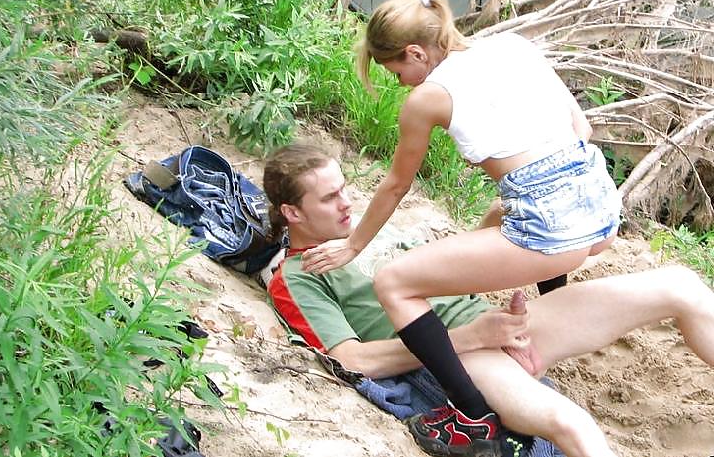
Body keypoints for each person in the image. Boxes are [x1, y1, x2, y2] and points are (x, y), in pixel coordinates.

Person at [300, 0, 623, 448]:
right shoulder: (514, 44)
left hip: (553, 226)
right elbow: (580, 129)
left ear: (415, 53)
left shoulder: (428, 98)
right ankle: (550, 318)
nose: (400, 84)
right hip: (602, 206)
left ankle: (471, 417)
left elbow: (396, 185)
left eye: (396, 73)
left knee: (393, 283)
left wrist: (353, 247)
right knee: (500, 211)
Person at [263, 144, 714, 457]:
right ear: (292, 213)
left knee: (680, 285)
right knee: (571, 425)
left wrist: (492, 226)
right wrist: (469, 338)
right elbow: (352, 360)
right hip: (457, 357)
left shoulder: (360, 232)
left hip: (498, 324)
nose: (347, 202)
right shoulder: (298, 276)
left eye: (344, 188)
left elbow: (443, 280)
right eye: (329, 198)